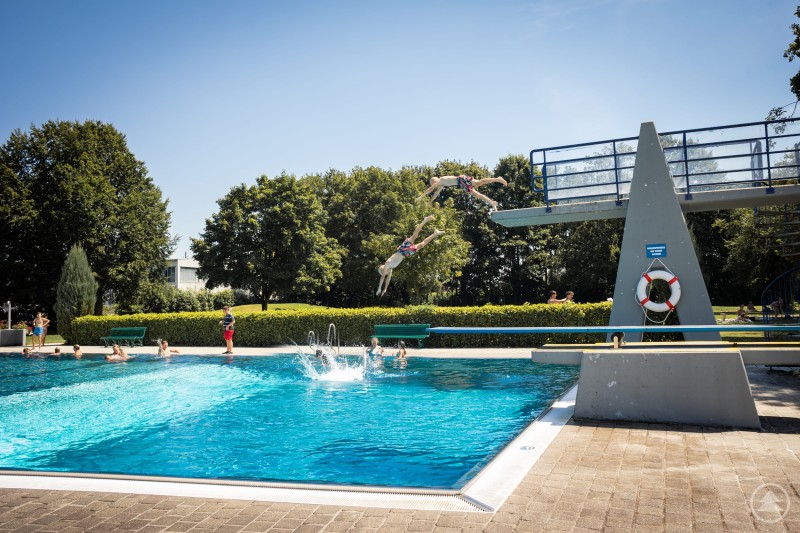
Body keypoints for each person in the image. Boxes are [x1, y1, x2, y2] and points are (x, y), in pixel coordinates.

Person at [376, 215, 444, 296]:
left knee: (414, 236)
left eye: (384, 273)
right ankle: (435, 233)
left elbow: (382, 278)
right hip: (406, 254)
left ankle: (425, 220)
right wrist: (385, 289)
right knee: (422, 245)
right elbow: (388, 280)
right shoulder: (390, 269)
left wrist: (379, 288)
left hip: (402, 250)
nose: (386, 274)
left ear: (382, 270)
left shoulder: (387, 264)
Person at [417, 174, 508, 210]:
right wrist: (430, 202)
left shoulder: (440, 180)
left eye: (433, 183)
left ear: (434, 180)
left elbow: (430, 189)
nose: (434, 185)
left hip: (461, 180)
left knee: (478, 183)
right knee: (477, 195)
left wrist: (420, 197)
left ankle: (497, 179)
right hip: (461, 184)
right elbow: (436, 193)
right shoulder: (441, 185)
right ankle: (492, 202)